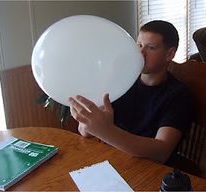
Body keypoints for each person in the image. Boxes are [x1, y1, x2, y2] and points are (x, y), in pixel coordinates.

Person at [68, 20, 193, 166]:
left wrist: (106, 132)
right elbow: (85, 131)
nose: (140, 53)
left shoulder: (179, 96)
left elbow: (161, 151)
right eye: (139, 45)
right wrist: (88, 123)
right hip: (112, 160)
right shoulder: (121, 81)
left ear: (169, 54)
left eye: (151, 48)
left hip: (149, 169)